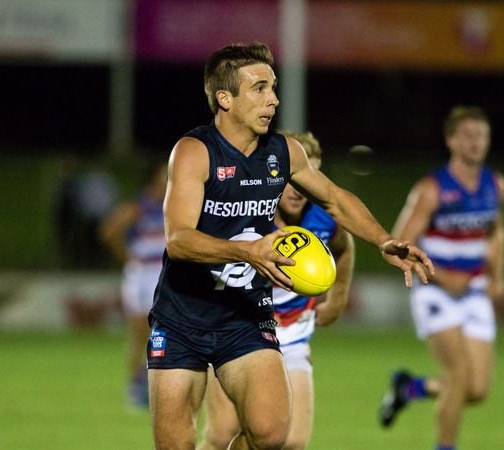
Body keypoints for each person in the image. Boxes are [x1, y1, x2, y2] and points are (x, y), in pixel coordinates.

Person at [148, 41, 433, 450]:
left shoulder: (283, 152)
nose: (274, 100)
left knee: (271, 433)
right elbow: (179, 241)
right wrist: (250, 252)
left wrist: (384, 239)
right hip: (182, 319)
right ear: (225, 98)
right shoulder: (195, 152)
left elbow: (334, 198)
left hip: (244, 315)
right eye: (260, 88)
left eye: (273, 87)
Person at [197, 130, 355, 450]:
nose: (301, 189)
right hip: (239, 330)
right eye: (295, 176)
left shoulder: (323, 218)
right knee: (222, 432)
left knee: (292, 441)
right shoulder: (248, 213)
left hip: (294, 333)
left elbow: (344, 246)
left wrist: (337, 298)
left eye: (313, 176)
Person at [378, 105, 504, 450]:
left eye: (481, 136)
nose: (475, 143)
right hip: (435, 292)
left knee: (477, 390)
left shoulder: (496, 186)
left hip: (475, 292)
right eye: (467, 136)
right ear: (451, 140)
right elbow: (397, 244)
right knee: (458, 377)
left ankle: (409, 389)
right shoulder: (432, 189)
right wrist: (443, 276)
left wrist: (497, 277)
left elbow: (496, 233)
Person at [99, 161, 168, 409]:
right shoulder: (139, 206)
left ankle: (154, 384)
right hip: (142, 275)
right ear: (153, 178)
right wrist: (128, 256)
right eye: (164, 174)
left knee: (160, 333)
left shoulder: (170, 205)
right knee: (140, 332)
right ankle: (135, 386)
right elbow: (108, 230)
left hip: (162, 274)